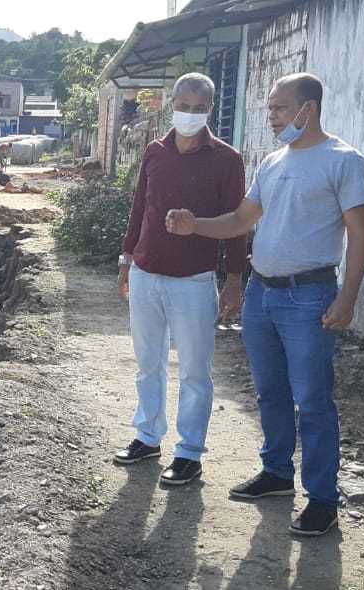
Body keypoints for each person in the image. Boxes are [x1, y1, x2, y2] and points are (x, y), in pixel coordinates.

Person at [165, 73, 364, 536]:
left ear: (308, 109)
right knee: (270, 392)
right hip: (263, 293)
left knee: (313, 401)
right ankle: (277, 473)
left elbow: (359, 234)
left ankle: (322, 499)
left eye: (279, 108)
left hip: (309, 295)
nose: (272, 117)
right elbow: (241, 219)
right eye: (271, 109)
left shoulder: (344, 161)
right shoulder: (273, 163)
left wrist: (348, 296)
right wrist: (194, 225)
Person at [113, 72, 248, 487]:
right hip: (146, 273)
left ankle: (189, 453)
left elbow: (238, 223)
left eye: (198, 108)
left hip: (194, 279)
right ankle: (147, 436)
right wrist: (126, 260)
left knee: (194, 370)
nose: (189, 115)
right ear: (172, 104)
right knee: (147, 362)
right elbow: (140, 208)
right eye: (183, 106)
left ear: (211, 109)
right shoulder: (155, 152)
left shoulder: (227, 159)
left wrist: (234, 278)